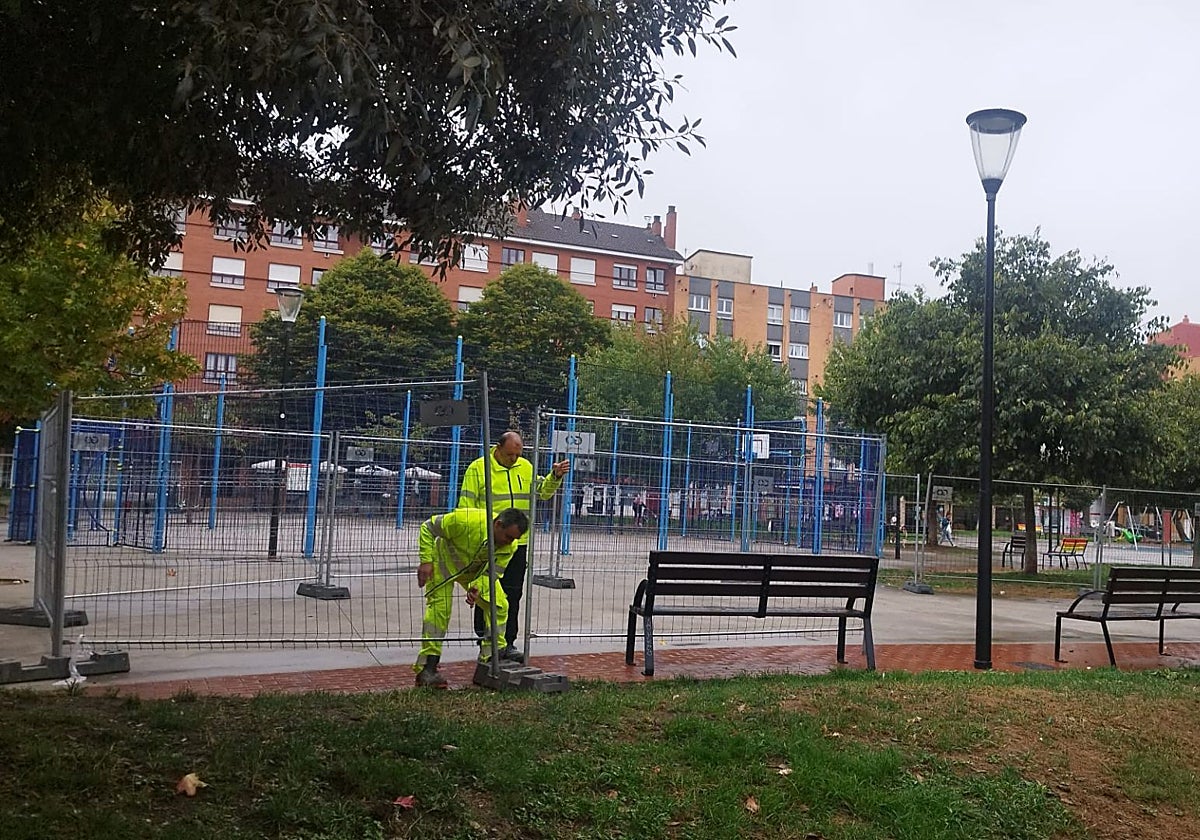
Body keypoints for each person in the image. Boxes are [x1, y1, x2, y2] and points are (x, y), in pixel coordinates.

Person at [459, 431, 569, 663]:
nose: (514, 459)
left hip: (518, 545)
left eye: (518, 454)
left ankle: (508, 643)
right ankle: (486, 641)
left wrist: (555, 476)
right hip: (489, 544)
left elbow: (543, 493)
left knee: (513, 595)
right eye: (510, 455)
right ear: (497, 448)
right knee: (485, 593)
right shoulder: (478, 469)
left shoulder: (525, 467)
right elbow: (465, 508)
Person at [412, 506, 529, 688]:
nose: (510, 542)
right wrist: (426, 560)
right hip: (443, 566)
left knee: (499, 605)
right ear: (498, 524)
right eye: (508, 537)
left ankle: (490, 658)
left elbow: (492, 573)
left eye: (514, 539)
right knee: (439, 612)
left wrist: (477, 588)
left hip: (472, 573)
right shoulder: (465, 521)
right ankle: (428, 668)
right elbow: (428, 527)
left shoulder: (510, 546)